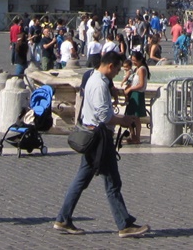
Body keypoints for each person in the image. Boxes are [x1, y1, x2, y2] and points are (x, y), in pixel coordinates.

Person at [53, 51, 149, 237]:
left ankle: (63, 219)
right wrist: (125, 120)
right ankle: (124, 225)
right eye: (118, 69)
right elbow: (104, 117)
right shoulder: (98, 85)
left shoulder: (96, 79)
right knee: (112, 182)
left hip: (94, 136)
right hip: (99, 139)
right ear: (110, 66)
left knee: (83, 180)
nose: (118, 74)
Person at [123, 50, 149, 144]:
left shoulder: (142, 69)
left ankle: (137, 137)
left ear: (140, 60)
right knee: (130, 116)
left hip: (137, 93)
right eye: (132, 60)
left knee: (136, 117)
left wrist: (130, 89)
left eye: (135, 60)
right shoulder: (136, 69)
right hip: (134, 93)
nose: (133, 62)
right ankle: (132, 135)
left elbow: (141, 84)